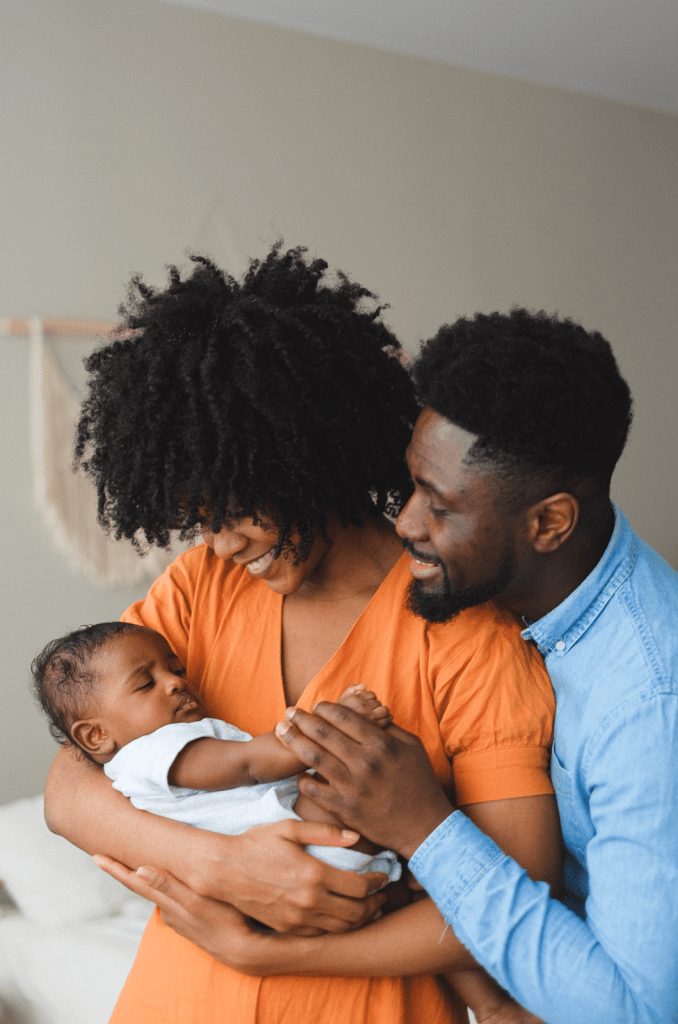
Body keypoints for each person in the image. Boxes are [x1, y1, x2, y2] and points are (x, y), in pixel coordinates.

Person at [44, 248, 559, 1024]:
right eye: (200, 520)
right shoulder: (200, 587)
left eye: (235, 510)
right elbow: (69, 787)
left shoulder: (467, 636)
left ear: (309, 458)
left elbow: (518, 895)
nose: (221, 544)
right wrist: (221, 866)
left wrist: (273, 951)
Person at [271, 308, 678, 1024]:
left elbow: (636, 1010)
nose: (406, 523)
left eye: (442, 506)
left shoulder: (648, 704)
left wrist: (423, 828)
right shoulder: (503, 601)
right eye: (412, 486)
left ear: (549, 523)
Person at [32, 620, 399, 880]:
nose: (175, 682)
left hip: (303, 856)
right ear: (96, 735)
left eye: (177, 669)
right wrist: (333, 726)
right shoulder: (149, 755)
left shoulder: (163, 746)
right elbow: (249, 764)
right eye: (146, 684)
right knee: (338, 785)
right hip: (298, 849)